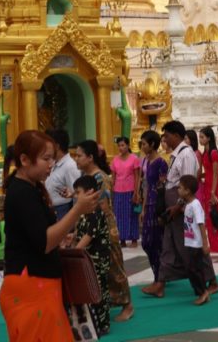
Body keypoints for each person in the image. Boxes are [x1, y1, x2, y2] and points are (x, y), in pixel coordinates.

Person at [0, 129, 99, 342]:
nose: (51, 164)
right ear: (25, 159)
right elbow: (44, 242)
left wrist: (64, 236)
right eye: (45, 158)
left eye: (52, 158)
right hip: (31, 282)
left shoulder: (31, 187)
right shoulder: (22, 192)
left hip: (39, 280)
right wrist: (77, 210)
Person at [142, 121, 218, 299]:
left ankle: (210, 279)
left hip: (180, 206)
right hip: (172, 203)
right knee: (168, 243)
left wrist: (178, 206)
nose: (165, 140)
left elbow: (188, 184)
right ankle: (160, 282)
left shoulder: (186, 155)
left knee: (190, 244)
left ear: (176, 135)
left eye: (167, 136)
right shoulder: (175, 155)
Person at [75, 140, 133, 322]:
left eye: (79, 155)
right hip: (91, 227)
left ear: (90, 158)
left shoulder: (99, 178)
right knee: (100, 270)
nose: (76, 159)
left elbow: (104, 207)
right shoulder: (86, 177)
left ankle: (127, 305)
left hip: (104, 227)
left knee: (114, 267)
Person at [72, 174, 112, 336]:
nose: (76, 196)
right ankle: (95, 322)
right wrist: (71, 238)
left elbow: (88, 237)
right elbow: (78, 232)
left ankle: (104, 324)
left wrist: (72, 253)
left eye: (78, 192)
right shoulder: (84, 212)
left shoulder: (96, 212)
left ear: (89, 192)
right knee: (90, 291)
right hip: (87, 259)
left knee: (98, 292)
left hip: (98, 260)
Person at [138, 130, 168, 280]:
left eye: (144, 144)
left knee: (156, 241)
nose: (142, 146)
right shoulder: (147, 162)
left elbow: (163, 187)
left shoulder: (161, 163)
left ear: (152, 144)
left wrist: (161, 210)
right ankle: (159, 274)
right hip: (148, 204)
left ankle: (160, 277)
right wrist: (143, 209)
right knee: (146, 242)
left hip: (157, 205)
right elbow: (147, 187)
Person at [178, 174, 211, 306]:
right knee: (192, 268)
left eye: (180, 188)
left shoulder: (195, 205)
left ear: (188, 191)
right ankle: (201, 291)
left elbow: (200, 224)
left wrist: (205, 243)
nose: (178, 190)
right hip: (190, 242)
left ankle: (203, 292)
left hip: (196, 243)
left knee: (195, 269)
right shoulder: (189, 204)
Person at [198, 127, 218, 253]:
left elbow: (216, 174)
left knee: (216, 214)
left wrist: (213, 192)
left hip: (214, 187)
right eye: (199, 137)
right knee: (209, 216)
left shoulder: (213, 153)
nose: (200, 139)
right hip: (208, 186)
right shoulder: (205, 152)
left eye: (202, 137)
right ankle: (214, 244)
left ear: (209, 138)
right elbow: (208, 172)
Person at [110, 137, 141, 247]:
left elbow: (138, 177)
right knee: (119, 215)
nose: (121, 148)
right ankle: (122, 239)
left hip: (131, 190)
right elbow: (113, 177)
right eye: (119, 145)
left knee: (132, 214)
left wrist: (136, 192)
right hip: (118, 191)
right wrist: (111, 191)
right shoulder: (115, 160)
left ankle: (134, 239)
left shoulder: (134, 159)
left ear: (128, 146)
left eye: (123, 145)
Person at [47, 130, 80, 221]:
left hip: (63, 211)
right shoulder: (53, 163)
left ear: (57, 146)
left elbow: (77, 195)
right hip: (52, 211)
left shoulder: (70, 166)